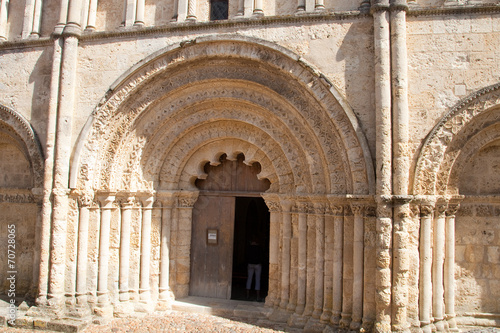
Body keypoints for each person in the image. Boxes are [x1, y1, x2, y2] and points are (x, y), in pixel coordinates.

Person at [246, 236, 262, 301]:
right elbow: (261, 255)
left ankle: (247, 295)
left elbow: (246, 255)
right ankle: (258, 296)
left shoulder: (249, 248)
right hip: (257, 264)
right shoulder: (259, 248)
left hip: (250, 264)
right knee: (257, 279)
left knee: (249, 278)